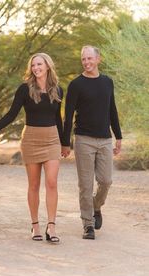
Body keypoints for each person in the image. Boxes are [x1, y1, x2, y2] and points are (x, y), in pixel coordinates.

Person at [0, 53, 64, 243]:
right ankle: (35, 226)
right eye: (33, 65)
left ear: (47, 66)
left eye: (39, 64)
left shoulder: (57, 89)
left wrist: (65, 142)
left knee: (52, 182)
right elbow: (12, 113)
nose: (36, 68)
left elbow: (58, 118)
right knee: (33, 185)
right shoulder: (24, 89)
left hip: (52, 139)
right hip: (31, 139)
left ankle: (52, 226)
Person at [62, 45, 122, 240]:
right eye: (83, 59)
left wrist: (118, 136)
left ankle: (96, 206)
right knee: (86, 185)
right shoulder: (76, 85)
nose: (87, 62)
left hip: (105, 139)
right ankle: (88, 224)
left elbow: (111, 110)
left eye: (90, 58)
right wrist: (65, 142)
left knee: (106, 181)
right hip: (83, 140)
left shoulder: (107, 82)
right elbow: (68, 116)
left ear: (98, 59)